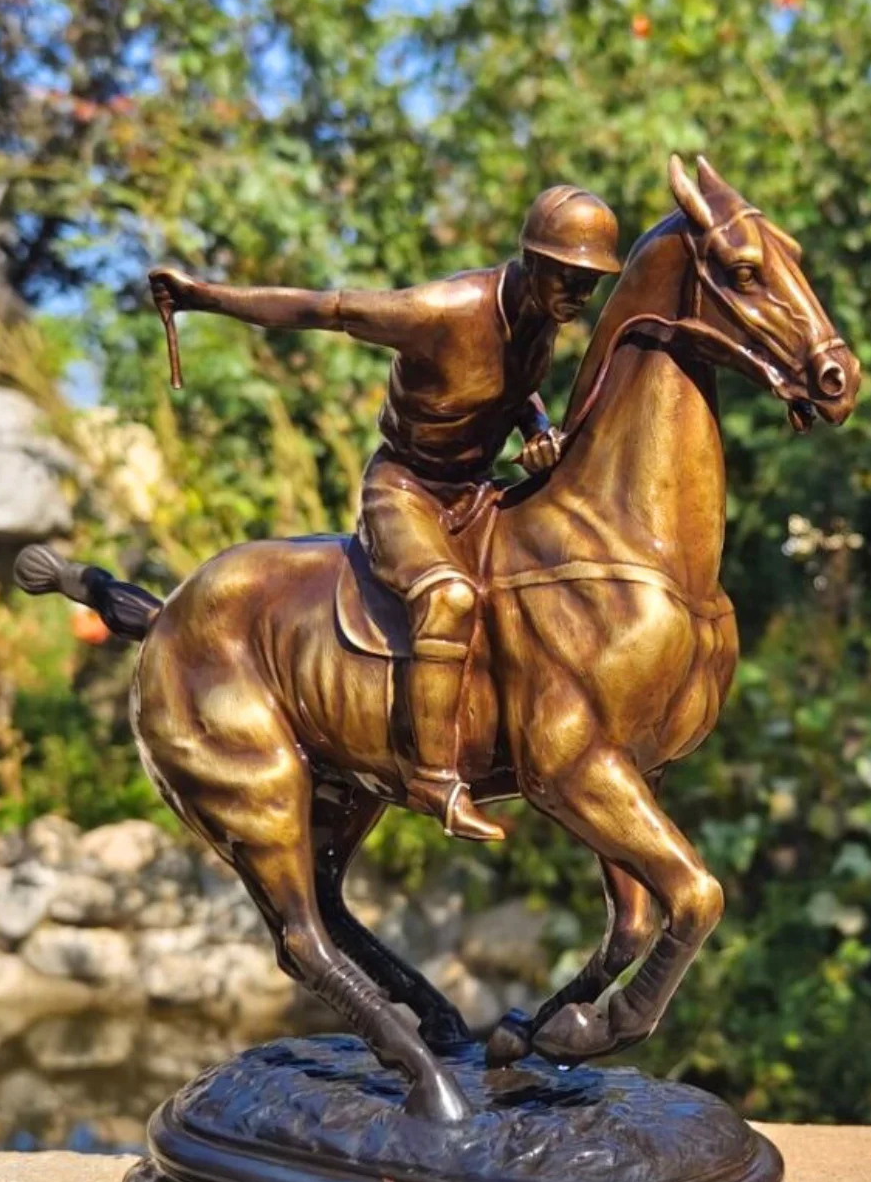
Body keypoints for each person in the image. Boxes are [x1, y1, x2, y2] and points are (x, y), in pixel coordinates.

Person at [149, 184, 621, 841]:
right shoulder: (440, 311)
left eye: (590, 283)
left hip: (475, 492)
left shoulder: (541, 320)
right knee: (450, 596)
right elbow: (320, 308)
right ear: (534, 260)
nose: (578, 296)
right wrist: (203, 296)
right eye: (568, 277)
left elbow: (514, 389)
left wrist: (537, 428)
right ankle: (433, 778)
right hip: (406, 492)